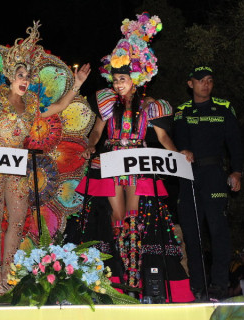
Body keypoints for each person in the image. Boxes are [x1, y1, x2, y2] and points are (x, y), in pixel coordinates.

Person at [0, 21, 91, 297]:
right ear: (11, 76)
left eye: (28, 77)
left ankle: (7, 272)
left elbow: (58, 107)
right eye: (21, 75)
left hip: (17, 162)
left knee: (19, 218)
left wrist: (77, 84)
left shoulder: (32, 103)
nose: (25, 80)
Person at [78, 13, 193, 301]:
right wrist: (91, 145)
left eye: (123, 79)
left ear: (136, 79)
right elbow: (97, 132)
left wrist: (179, 154)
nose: (118, 84)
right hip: (112, 160)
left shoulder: (152, 107)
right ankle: (117, 280)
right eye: (115, 79)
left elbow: (165, 139)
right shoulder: (106, 102)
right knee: (115, 219)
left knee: (134, 219)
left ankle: (136, 278)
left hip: (138, 163)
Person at [173, 65, 244, 301]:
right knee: (192, 234)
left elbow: (235, 142)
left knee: (218, 231)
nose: (206, 84)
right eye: (201, 80)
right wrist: (182, 149)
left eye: (210, 80)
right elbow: (178, 138)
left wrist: (237, 172)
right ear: (190, 84)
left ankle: (220, 285)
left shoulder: (223, 107)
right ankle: (197, 285)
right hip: (189, 176)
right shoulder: (182, 110)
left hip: (214, 174)